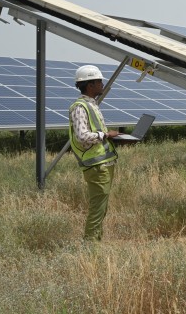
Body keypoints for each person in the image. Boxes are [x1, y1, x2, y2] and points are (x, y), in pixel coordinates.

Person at [69, 65, 120, 241]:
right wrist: (105, 134)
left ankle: (96, 242)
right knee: (97, 208)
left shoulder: (91, 105)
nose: (102, 84)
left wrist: (112, 138)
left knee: (101, 207)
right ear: (90, 85)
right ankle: (90, 247)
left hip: (103, 164)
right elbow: (82, 136)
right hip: (96, 167)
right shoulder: (80, 107)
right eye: (99, 81)